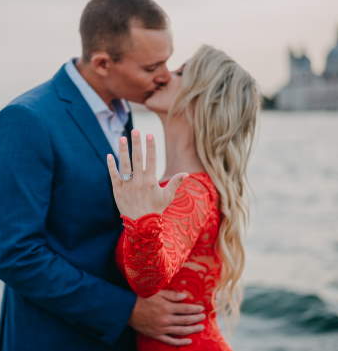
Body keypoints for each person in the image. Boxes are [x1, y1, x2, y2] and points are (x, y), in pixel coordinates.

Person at [0, 0, 205, 351]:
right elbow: (16, 255)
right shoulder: (26, 120)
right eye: (151, 67)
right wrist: (127, 310)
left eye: (167, 62)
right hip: (53, 338)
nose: (165, 76)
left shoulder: (126, 111)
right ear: (103, 64)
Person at [106, 45, 261, 350]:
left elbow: (149, 280)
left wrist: (141, 219)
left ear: (203, 98)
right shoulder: (181, 185)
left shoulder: (193, 189)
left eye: (179, 73)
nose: (164, 75)